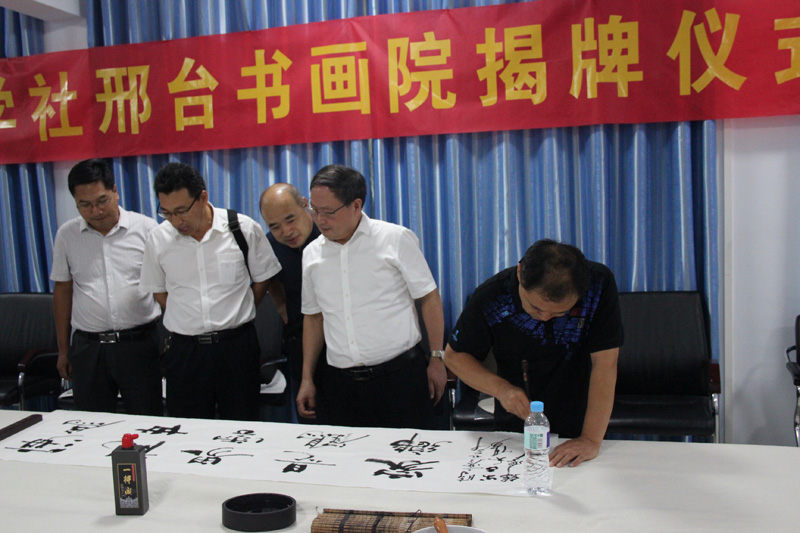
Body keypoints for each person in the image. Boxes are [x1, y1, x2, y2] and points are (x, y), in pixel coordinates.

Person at [444, 239, 623, 467]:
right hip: (518, 413)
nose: (545, 318)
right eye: (535, 308)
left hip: (581, 406)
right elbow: (455, 356)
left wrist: (590, 439)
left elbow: (605, 363)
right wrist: (501, 389)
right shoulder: (492, 295)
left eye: (559, 313)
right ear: (520, 273)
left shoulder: (598, 284)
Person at [297, 164, 447, 429]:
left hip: (399, 378)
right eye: (314, 210)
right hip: (341, 384)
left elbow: (429, 297)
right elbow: (313, 317)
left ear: (356, 205)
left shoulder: (394, 239)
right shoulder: (311, 254)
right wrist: (307, 377)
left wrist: (437, 357)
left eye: (328, 212)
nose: (319, 220)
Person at [139, 162, 282, 421]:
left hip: (237, 348)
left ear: (203, 197)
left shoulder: (242, 228)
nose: (176, 221)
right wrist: (187, 315)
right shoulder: (158, 239)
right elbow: (158, 290)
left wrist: (244, 308)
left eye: (181, 211)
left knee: (242, 425)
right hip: (185, 351)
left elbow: (263, 279)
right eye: (167, 212)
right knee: (188, 429)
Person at [51, 158, 163, 415]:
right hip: (89, 348)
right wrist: (63, 351)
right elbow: (63, 290)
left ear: (115, 191)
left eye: (102, 200)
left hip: (139, 343)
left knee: (147, 419)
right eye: (85, 205)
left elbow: (167, 285)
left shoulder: (146, 228)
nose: (96, 211)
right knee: (92, 424)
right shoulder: (67, 235)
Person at [259, 183, 326, 423]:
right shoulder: (268, 246)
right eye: (274, 226)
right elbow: (269, 279)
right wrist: (281, 306)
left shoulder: (330, 232)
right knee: (312, 420)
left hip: (343, 339)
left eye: (290, 220)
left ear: (305, 204)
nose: (286, 232)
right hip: (300, 337)